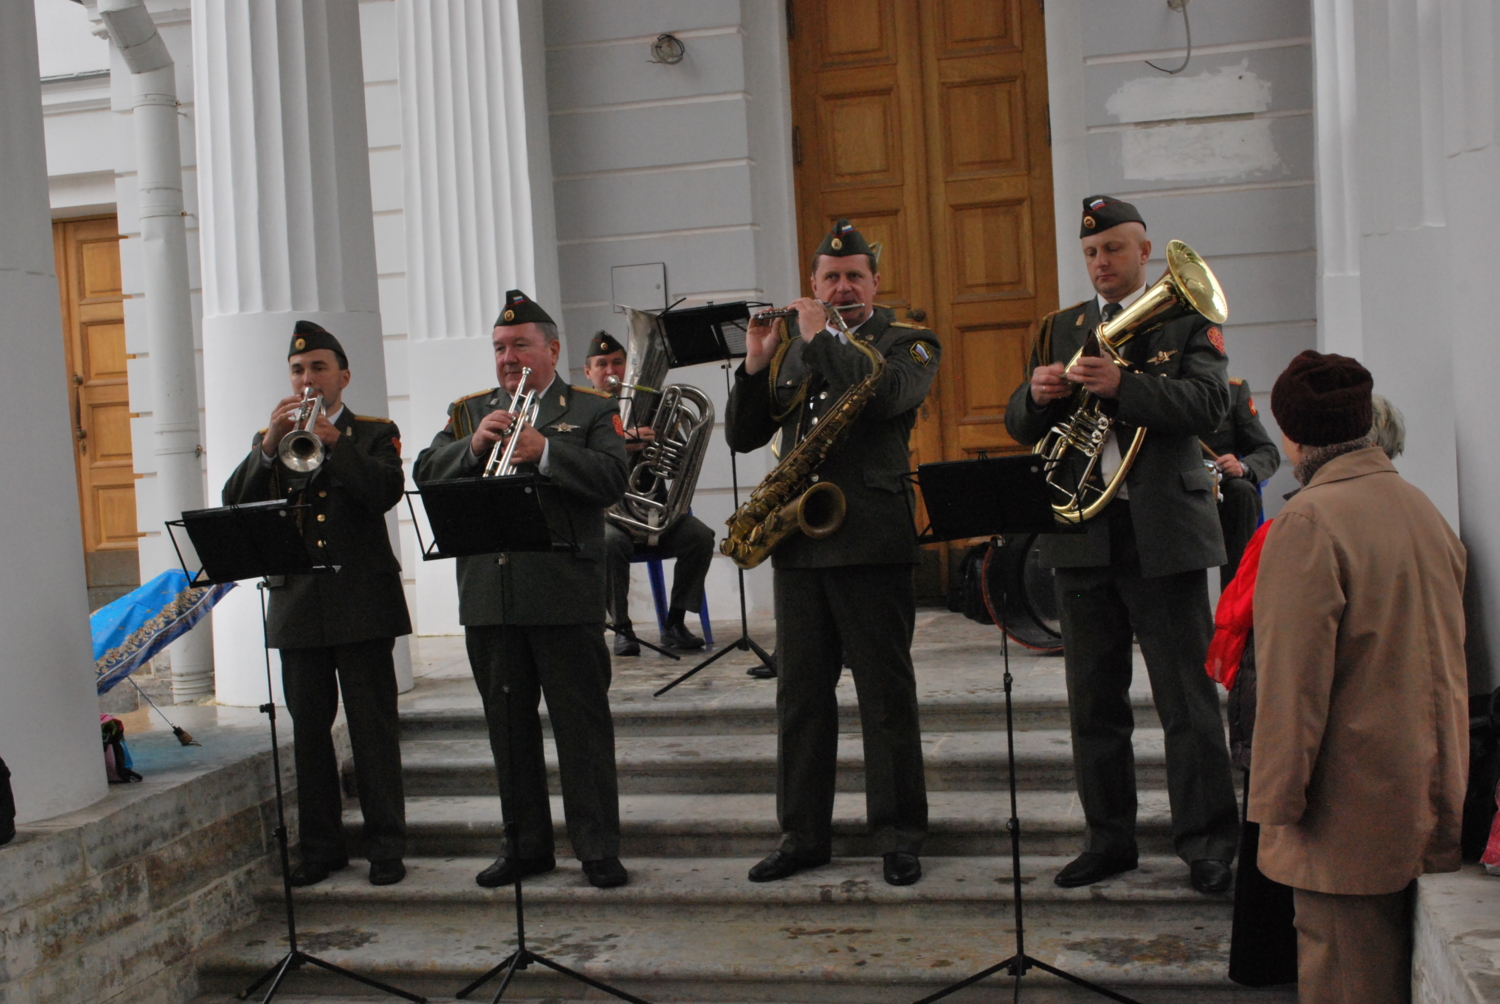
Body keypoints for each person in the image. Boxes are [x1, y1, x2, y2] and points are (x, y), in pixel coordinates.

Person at [1004, 195, 1240, 894]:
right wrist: (1036, 395)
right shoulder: (1060, 328)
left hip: (1162, 530)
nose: (1101, 263)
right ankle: (1109, 840)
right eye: (1090, 254)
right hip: (1082, 532)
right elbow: (1021, 423)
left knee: (1187, 703)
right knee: (1092, 704)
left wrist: (1127, 386)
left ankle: (1207, 843)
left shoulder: (1188, 318)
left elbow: (1210, 407)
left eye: (1113, 249)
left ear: (1145, 253)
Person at [725, 219, 938, 887]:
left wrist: (820, 337)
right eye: (829, 278)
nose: (841, 286)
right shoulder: (788, 350)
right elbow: (742, 434)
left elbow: (880, 398)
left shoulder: (908, 343)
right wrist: (758, 362)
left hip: (872, 539)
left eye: (853, 277)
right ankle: (802, 833)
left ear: (874, 283)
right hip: (800, 541)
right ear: (812, 284)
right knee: (801, 698)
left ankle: (899, 833)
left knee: (884, 695)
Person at [1251, 350, 1467, 1004]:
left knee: (1347, 985)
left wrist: (1275, 807)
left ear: (1290, 434)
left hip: (1345, 816)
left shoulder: (1308, 522)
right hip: (1426, 793)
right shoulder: (1420, 506)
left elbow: (1293, 686)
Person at [413, 290, 631, 890]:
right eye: (500, 348)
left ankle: (596, 848)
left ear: (553, 350)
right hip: (491, 595)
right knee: (507, 730)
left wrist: (548, 452)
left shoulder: (587, 409)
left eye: (520, 346)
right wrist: (472, 447)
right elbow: (425, 473)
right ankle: (525, 845)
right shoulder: (468, 411)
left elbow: (615, 478)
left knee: (581, 729)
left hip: (563, 593)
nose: (508, 357)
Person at [222, 321, 411, 887]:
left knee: (373, 729)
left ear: (343, 377)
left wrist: (335, 443)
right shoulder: (272, 437)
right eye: (299, 370)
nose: (307, 379)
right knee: (308, 733)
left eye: (319, 368)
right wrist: (265, 447)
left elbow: (384, 493)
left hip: (362, 601)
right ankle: (321, 848)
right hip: (298, 604)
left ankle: (386, 846)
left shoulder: (374, 432)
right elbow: (235, 501)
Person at [583, 330, 716, 656]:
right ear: (588, 372)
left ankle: (675, 622)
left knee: (700, 537)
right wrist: (621, 444)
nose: (611, 371)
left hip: (654, 509)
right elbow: (578, 461)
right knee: (609, 544)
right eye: (602, 364)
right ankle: (622, 628)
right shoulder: (581, 411)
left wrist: (669, 442)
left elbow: (681, 457)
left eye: (617, 362)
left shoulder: (655, 405)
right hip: (609, 514)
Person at [1201, 377, 1280, 586]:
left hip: (1221, 489)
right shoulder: (1160, 389)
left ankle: (1235, 596)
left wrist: (1243, 467)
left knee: (1243, 493)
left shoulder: (1232, 391)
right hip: (1170, 487)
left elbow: (1267, 452)